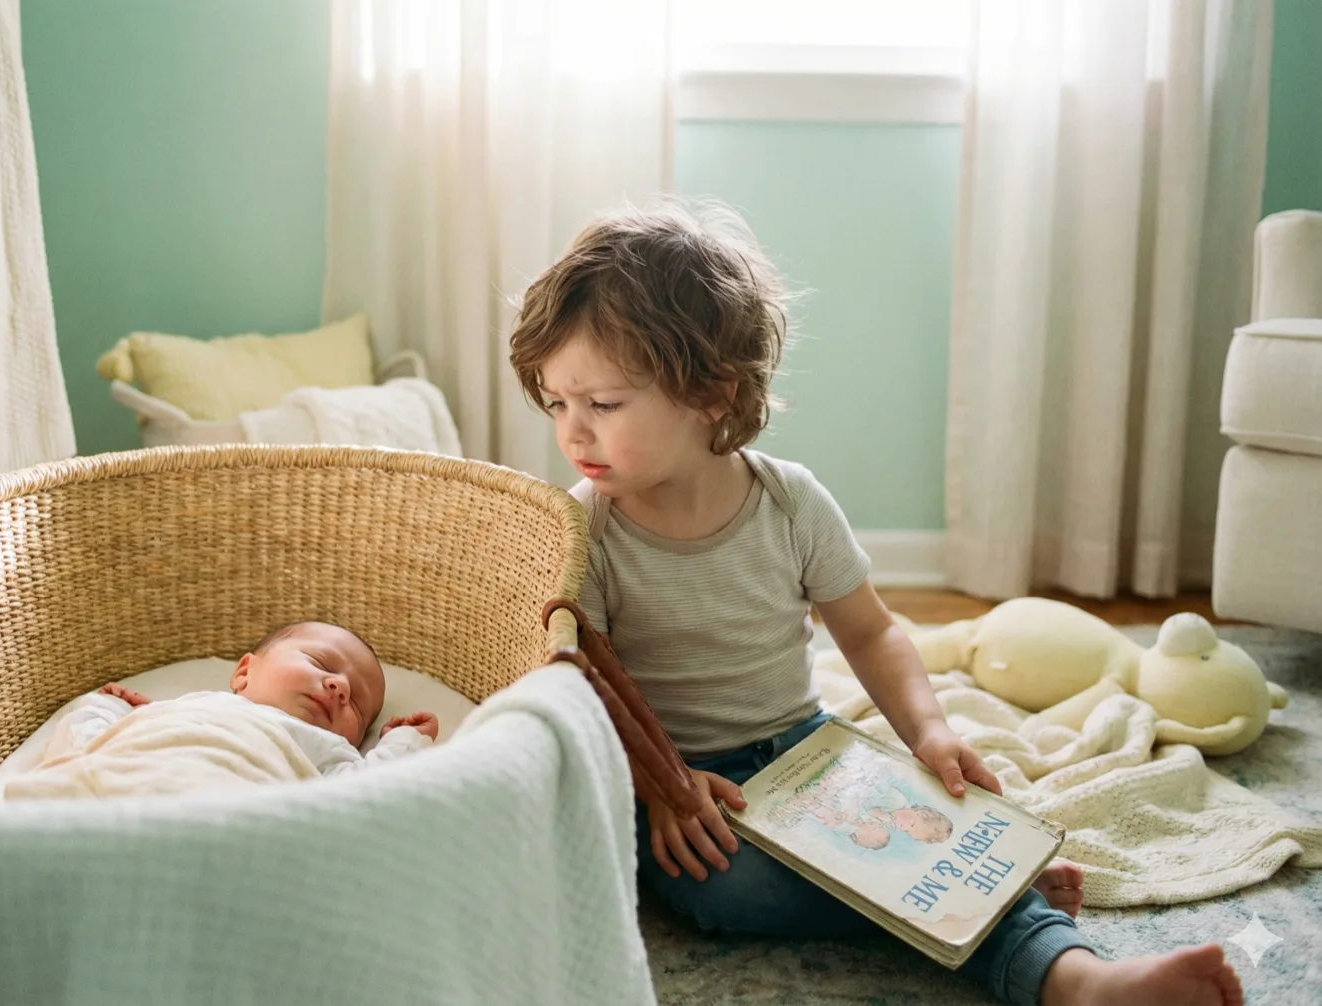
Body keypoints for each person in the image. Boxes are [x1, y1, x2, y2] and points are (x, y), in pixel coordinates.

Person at [507, 199, 1243, 1006]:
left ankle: (1071, 968)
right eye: (555, 403)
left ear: (712, 393)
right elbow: (590, 688)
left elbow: (872, 632)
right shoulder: (586, 530)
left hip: (809, 750)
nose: (573, 433)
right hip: (683, 780)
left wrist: (928, 731)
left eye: (602, 405)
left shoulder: (790, 504)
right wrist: (665, 786)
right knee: (725, 890)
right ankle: (1000, 914)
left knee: (943, 814)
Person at [0, 621, 436, 800]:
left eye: (357, 706)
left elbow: (366, 791)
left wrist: (404, 741)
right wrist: (105, 709)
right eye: (320, 664)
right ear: (244, 673)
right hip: (126, 783)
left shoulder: (326, 751)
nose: (340, 687)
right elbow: (81, 746)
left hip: (219, 804)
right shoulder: (177, 710)